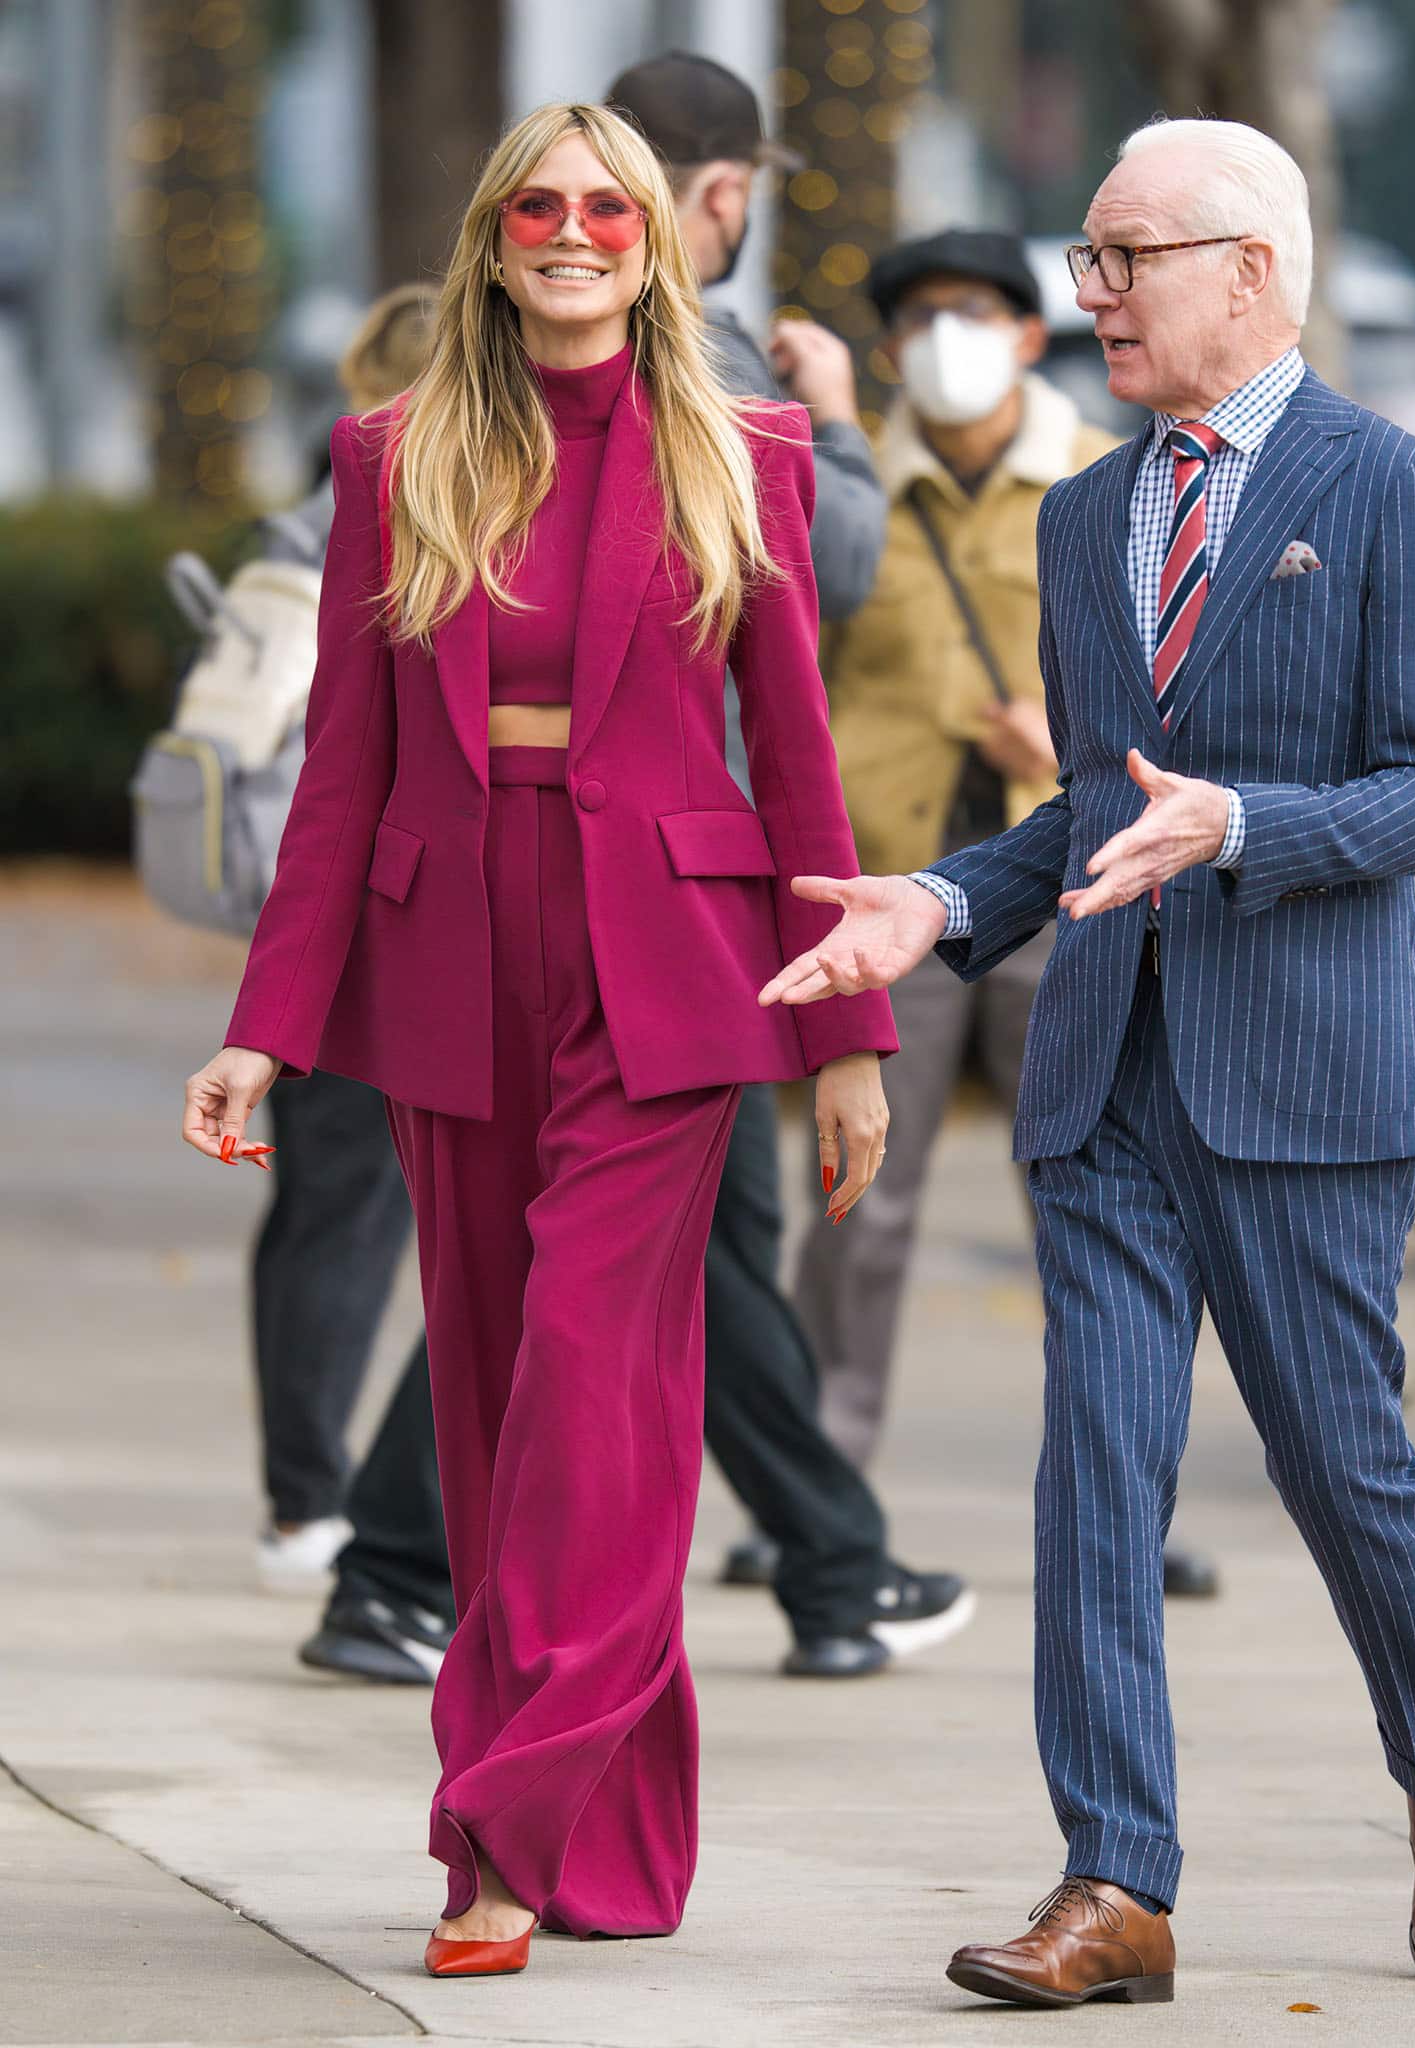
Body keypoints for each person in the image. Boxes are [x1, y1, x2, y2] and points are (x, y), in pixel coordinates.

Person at [761, 117, 1415, 2003]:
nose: (1081, 293)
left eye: (1121, 258)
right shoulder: (1081, 514)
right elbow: (1092, 807)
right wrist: (939, 905)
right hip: (1103, 1075)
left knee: (1341, 1464)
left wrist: (1243, 829)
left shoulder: (1399, 490)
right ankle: (1116, 1885)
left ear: (1247, 269)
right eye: (1082, 260)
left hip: (1309, 1081)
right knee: (1093, 1471)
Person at [182, 101, 894, 1977]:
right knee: (504, 1416)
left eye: (607, 208)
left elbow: (799, 757)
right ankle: (612, 1839)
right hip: (449, 961)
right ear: (492, 238)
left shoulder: (747, 451)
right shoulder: (392, 454)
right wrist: (268, 1030)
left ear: (657, 241)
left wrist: (849, 1034)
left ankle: (496, 1829)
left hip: (669, 966)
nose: (572, 234)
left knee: (591, 1383)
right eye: (536, 209)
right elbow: (339, 773)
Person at [607, 51, 973, 1674]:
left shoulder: (533, 353)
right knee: (676, 1231)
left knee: (654, 1235)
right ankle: (833, 1561)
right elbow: (816, 576)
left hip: (633, 875)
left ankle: (831, 1562)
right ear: (723, 192)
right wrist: (829, 419)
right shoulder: (705, 343)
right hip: (683, 876)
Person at [789, 228, 1217, 1605]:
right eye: (913, 319)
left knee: (1097, 1211)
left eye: (968, 313)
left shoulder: (1109, 478)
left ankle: (1124, 1511)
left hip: (1076, 885)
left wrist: (1066, 735)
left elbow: (1177, 681)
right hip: (902, 884)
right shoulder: (850, 487)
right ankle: (815, 1502)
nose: (940, 341)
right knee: (861, 1197)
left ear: (1028, 336)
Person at [243, 286, 456, 1681]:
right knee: (354, 1215)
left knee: (333, 1214)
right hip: (366, 920)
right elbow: (336, 764)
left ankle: (314, 1501)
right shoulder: (380, 513)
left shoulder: (308, 521)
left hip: (327, 919)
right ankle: (335, 1516)